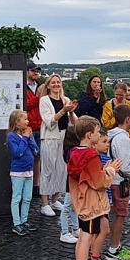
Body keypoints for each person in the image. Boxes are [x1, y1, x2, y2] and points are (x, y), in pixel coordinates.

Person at [67, 116, 122, 260]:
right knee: (85, 238)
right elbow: (100, 182)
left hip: (84, 202)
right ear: (90, 135)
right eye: (98, 132)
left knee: (87, 235)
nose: (100, 135)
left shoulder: (75, 152)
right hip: (91, 204)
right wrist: (110, 170)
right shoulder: (91, 155)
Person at [38, 73, 77, 217]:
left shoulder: (65, 99)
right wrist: (63, 111)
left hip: (64, 137)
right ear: (48, 86)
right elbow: (49, 121)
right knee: (48, 169)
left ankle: (55, 199)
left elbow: (74, 122)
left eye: (58, 82)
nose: (56, 85)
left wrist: (71, 112)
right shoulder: (44, 100)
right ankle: (45, 203)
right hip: (49, 138)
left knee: (61, 169)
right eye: (53, 82)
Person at [105, 103, 130, 260]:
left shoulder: (111, 136)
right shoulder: (123, 139)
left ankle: (115, 246)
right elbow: (125, 166)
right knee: (120, 215)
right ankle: (113, 248)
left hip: (111, 179)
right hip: (119, 182)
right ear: (127, 119)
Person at [6, 110, 39, 236]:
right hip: (18, 172)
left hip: (29, 171)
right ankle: (17, 223)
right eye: (25, 119)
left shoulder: (27, 136)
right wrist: (25, 138)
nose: (28, 122)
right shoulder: (12, 137)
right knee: (17, 197)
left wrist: (29, 138)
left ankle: (24, 220)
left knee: (27, 198)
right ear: (17, 122)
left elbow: (36, 150)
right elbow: (17, 153)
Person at [23, 62, 44, 188]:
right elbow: (25, 105)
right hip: (28, 126)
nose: (36, 73)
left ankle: (36, 184)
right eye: (33, 70)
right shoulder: (22, 87)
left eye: (37, 71)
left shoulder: (40, 87)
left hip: (40, 125)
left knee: (38, 157)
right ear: (27, 72)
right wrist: (37, 97)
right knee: (27, 156)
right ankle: (26, 183)